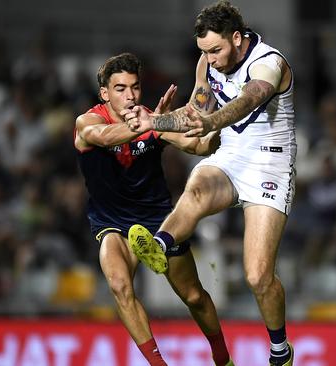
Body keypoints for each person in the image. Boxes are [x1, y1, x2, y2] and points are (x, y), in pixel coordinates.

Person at [122, 2, 296, 365]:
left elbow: (250, 98)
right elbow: (194, 113)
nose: (210, 60)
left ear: (237, 37)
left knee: (258, 276)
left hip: (269, 164)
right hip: (231, 155)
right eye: (204, 52)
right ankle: (159, 245)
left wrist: (211, 119)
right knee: (197, 185)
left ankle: (280, 349)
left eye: (215, 50)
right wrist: (154, 121)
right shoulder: (207, 62)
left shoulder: (269, 62)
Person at [74, 53, 232, 366]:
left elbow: (196, 146)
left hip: (158, 221)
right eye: (120, 89)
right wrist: (149, 125)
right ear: (104, 93)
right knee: (120, 286)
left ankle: (223, 359)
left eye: (134, 87)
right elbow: (103, 137)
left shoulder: (152, 118)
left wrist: (218, 125)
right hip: (112, 222)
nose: (129, 95)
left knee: (194, 297)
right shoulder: (88, 122)